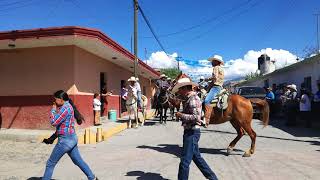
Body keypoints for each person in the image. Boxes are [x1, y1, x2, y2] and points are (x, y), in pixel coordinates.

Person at [42, 90, 98, 180]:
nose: (54, 102)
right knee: (78, 161)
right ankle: (92, 177)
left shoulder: (65, 108)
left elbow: (54, 122)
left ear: (60, 99)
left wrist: (53, 110)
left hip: (65, 141)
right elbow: (62, 125)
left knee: (50, 163)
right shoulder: (67, 106)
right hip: (71, 138)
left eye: (55, 99)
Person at [172, 78, 218, 180]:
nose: (179, 92)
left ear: (185, 88)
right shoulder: (189, 98)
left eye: (180, 89)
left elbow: (195, 117)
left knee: (184, 161)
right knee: (197, 158)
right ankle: (213, 178)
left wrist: (181, 115)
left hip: (192, 132)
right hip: (190, 131)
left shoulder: (193, 98)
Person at [203, 55, 224, 124]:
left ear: (216, 61)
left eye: (213, 61)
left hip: (216, 87)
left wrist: (207, 79)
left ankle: (206, 119)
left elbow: (215, 77)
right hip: (220, 86)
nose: (211, 62)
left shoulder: (215, 67)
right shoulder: (221, 69)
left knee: (206, 100)